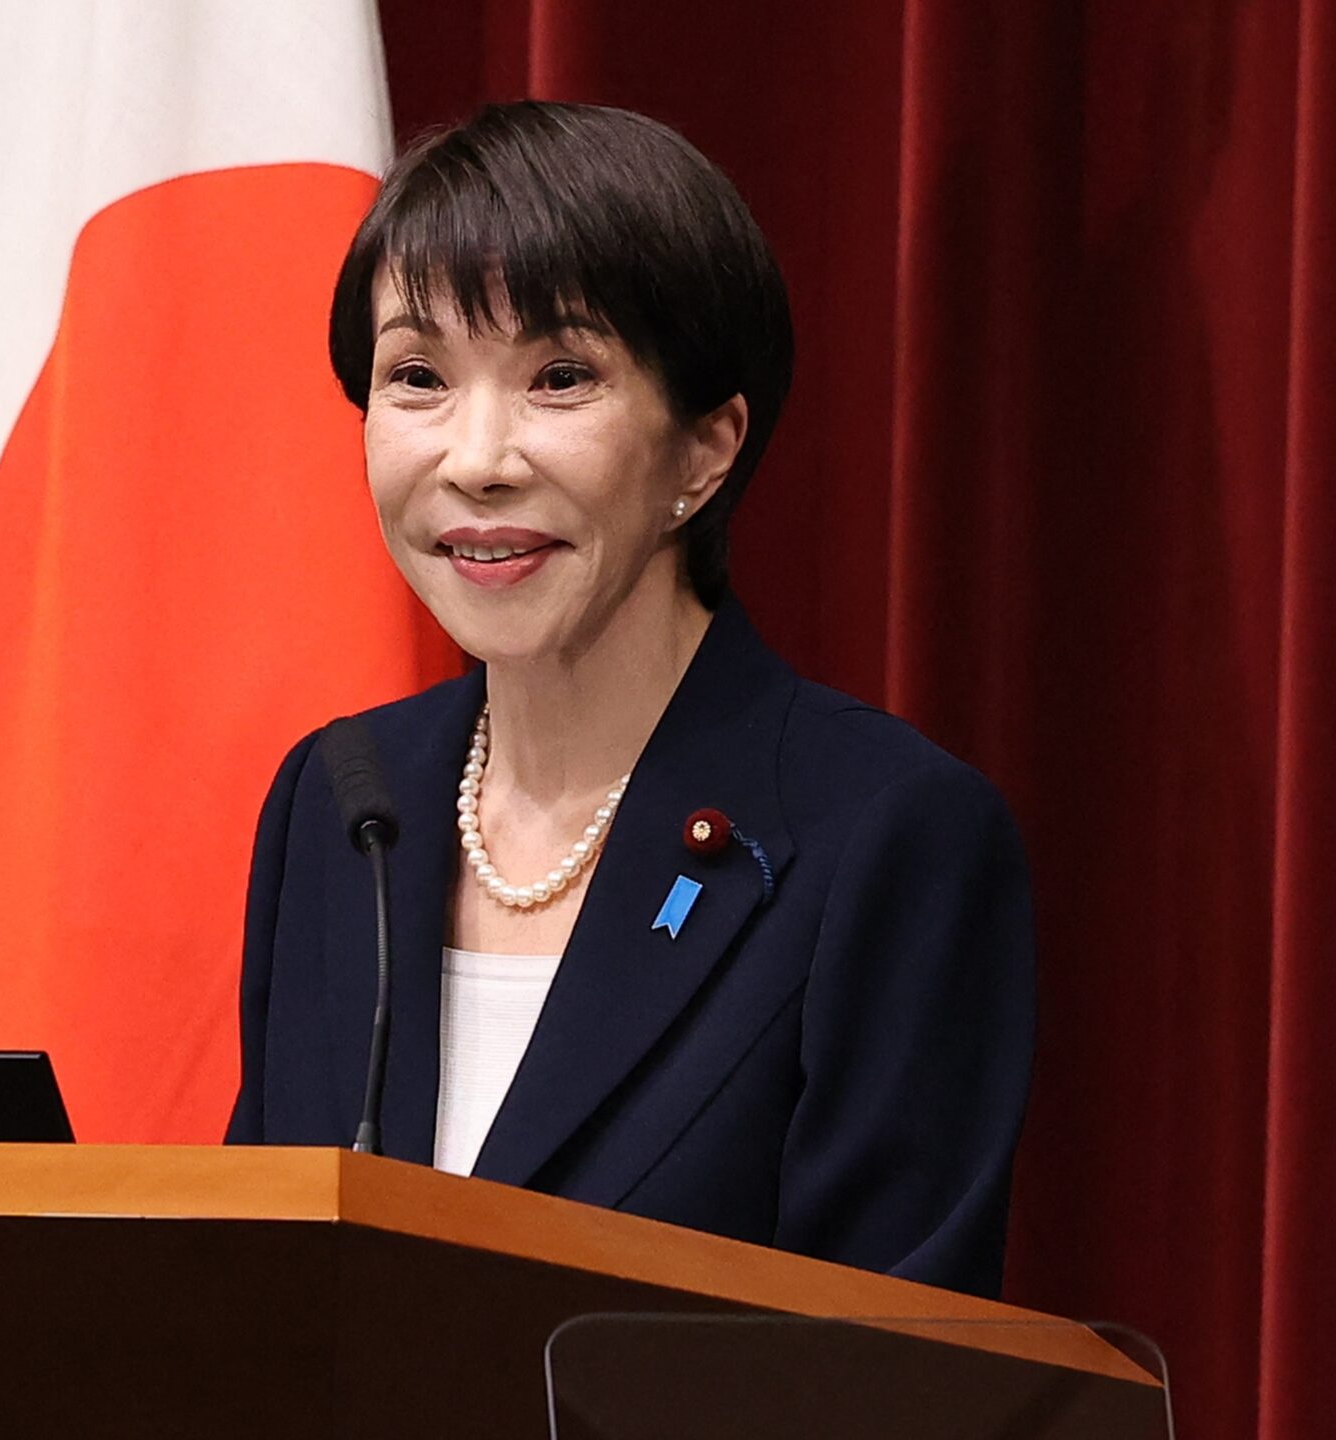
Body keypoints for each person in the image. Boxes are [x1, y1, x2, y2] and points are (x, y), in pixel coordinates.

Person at [225, 101, 1035, 1298]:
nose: (476, 456)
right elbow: (255, 1293)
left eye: (559, 377)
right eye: (416, 378)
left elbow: (890, 1380)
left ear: (703, 451)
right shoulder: (342, 803)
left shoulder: (885, 836)